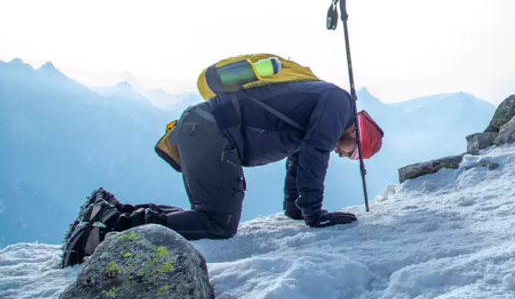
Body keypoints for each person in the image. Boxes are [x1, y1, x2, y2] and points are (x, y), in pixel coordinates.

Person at [62, 80, 384, 267]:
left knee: (211, 217)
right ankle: (104, 234)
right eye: (352, 153)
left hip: (204, 129)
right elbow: (315, 152)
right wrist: (315, 214)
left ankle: (109, 213)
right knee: (219, 222)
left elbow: (300, 156)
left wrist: (296, 209)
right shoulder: (339, 105)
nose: (343, 156)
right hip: (212, 134)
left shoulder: (328, 105)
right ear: (355, 134)